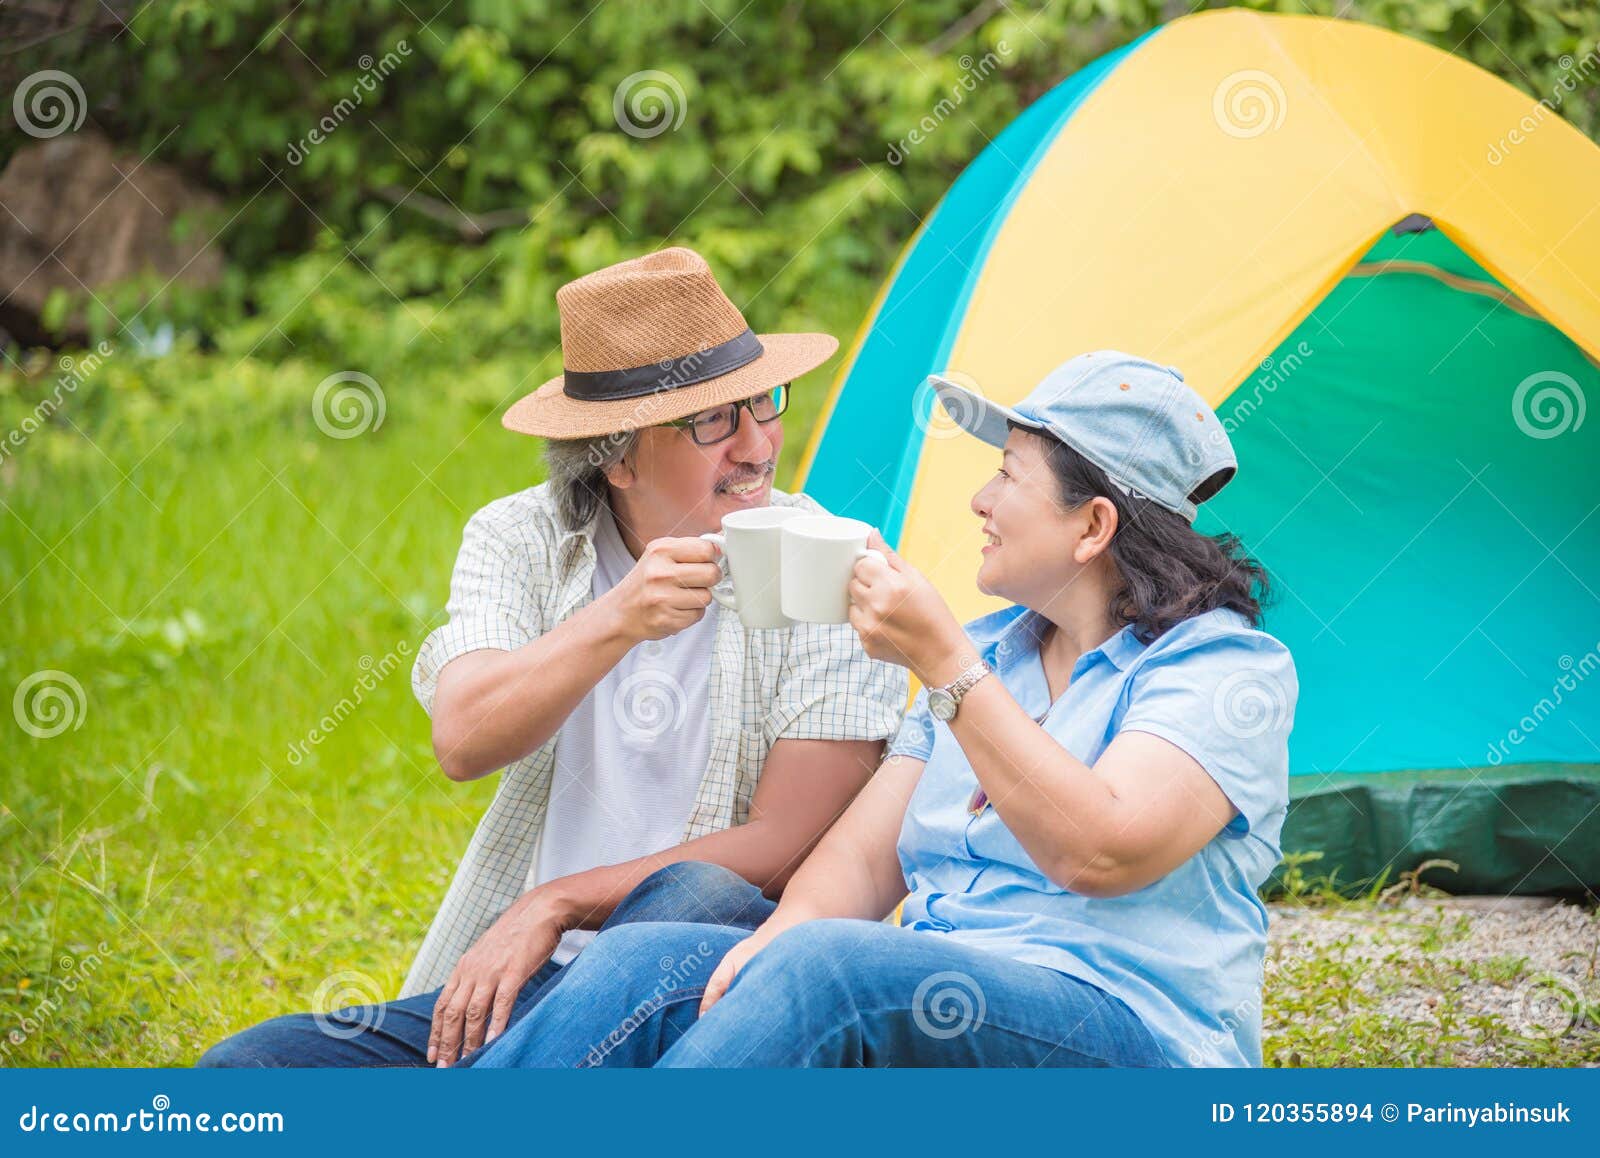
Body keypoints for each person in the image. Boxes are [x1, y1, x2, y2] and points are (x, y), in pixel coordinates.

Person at [469, 350, 1298, 1069]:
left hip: (1129, 1037)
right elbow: (864, 863)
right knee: (650, 960)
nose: (979, 500)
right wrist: (770, 943)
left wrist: (943, 662)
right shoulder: (1001, 654)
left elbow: (1102, 853)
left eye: (1007, 475)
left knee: (830, 971)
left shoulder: (1222, 670)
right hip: (946, 1009)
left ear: (1093, 526)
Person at [197, 247, 907, 1067]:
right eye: (713, 421)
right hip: (534, 989)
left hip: (712, 992)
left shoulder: (825, 558)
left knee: (692, 894)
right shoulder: (520, 538)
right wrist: (617, 620)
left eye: (762, 403)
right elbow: (464, 739)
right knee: (246, 1069)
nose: (756, 444)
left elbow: (785, 842)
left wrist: (559, 902)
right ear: (617, 454)